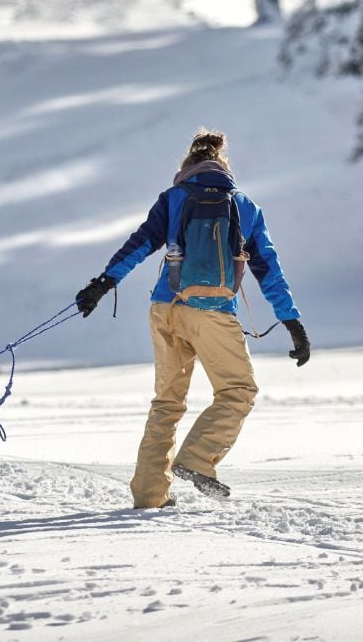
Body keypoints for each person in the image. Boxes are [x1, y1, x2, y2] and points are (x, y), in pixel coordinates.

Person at [75, 129, 309, 508]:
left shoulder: (173, 198)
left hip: (165, 308)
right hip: (212, 314)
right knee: (238, 391)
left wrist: (103, 284)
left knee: (166, 402)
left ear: (187, 167)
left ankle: (150, 495)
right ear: (223, 167)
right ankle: (198, 458)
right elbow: (268, 268)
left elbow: (140, 244)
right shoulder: (244, 206)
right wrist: (291, 322)